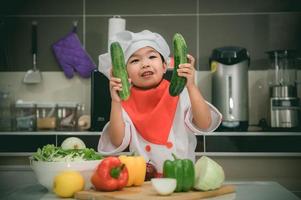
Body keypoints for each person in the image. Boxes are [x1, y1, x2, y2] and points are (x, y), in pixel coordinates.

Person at [97, 30, 222, 174]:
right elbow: (117, 141)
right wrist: (116, 102)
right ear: (124, 73)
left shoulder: (179, 92)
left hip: (182, 176)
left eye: (151, 56)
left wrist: (191, 86)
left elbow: (204, 123)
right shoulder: (124, 101)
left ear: (165, 66)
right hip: (143, 179)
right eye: (135, 60)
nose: (145, 64)